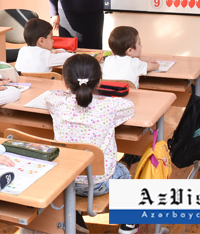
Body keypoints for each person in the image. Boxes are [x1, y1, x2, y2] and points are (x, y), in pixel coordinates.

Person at [45, 54, 137, 234]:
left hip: (65, 182)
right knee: (124, 172)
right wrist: (104, 98)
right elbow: (130, 106)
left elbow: (49, 95)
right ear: (99, 82)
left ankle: (74, 216)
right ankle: (128, 224)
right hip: (99, 184)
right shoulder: (109, 107)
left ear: (65, 83)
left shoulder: (57, 104)